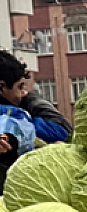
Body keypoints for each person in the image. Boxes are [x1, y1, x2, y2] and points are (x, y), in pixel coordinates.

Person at [0, 51, 68, 189]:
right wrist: (31, 101)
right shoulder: (13, 117)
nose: (23, 94)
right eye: (20, 87)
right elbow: (61, 130)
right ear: (1, 87)